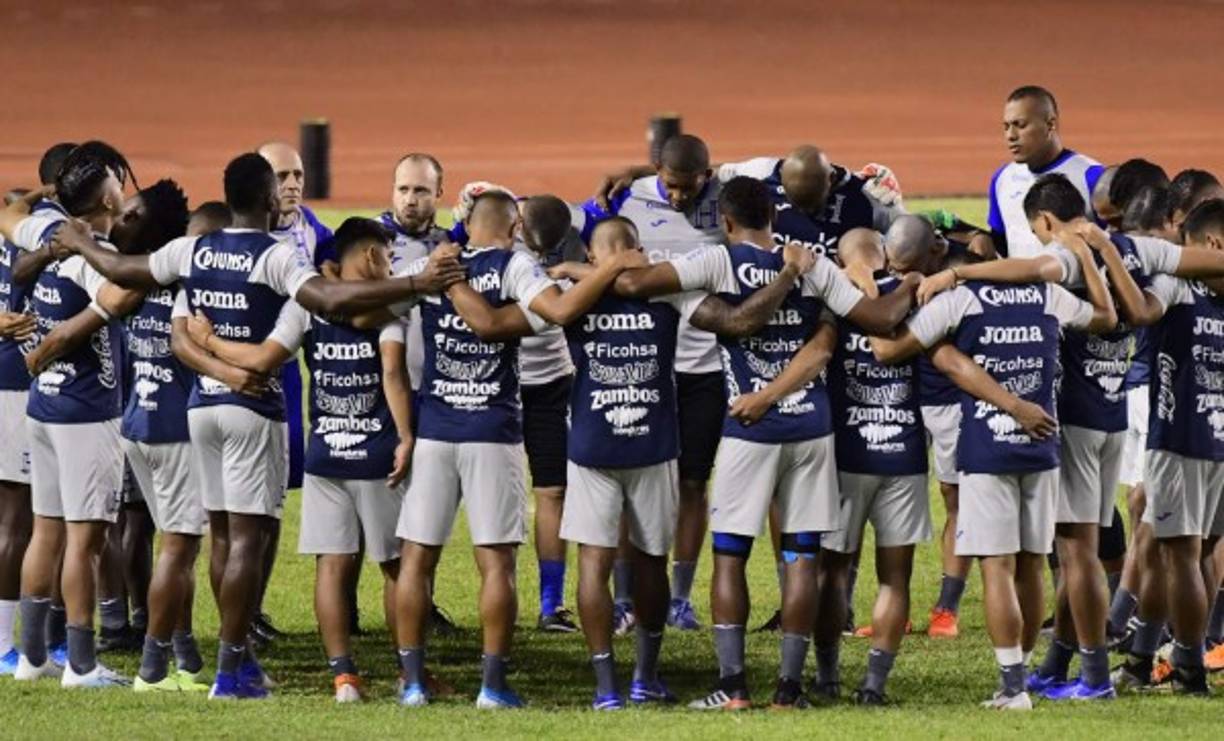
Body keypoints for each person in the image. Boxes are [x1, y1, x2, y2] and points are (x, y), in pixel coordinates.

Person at [49, 151, 465, 699]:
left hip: (201, 408)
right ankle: (229, 671)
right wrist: (414, 285)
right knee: (247, 539)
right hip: (253, 411)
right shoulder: (275, 257)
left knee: (221, 538)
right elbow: (329, 298)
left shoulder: (192, 249)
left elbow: (127, 270)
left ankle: (237, 660)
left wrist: (78, 243)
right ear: (271, 201)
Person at [386, 191, 648, 709]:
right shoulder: (514, 264)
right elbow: (561, 308)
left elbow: (378, 300)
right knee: (496, 563)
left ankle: (412, 682)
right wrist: (609, 266)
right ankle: (492, 685)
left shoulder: (433, 266)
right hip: (493, 430)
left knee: (416, 559)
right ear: (512, 228)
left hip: (436, 429)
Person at [871, 195, 1118, 710]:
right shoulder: (1048, 296)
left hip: (987, 449)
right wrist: (1094, 259)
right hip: (1042, 445)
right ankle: (1023, 673)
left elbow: (886, 349)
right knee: (1032, 563)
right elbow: (1106, 317)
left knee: (996, 566)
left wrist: (936, 346)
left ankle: (1011, 686)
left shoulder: (961, 300)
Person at [185, 217, 415, 702]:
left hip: (324, 455)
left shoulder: (304, 310)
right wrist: (406, 435)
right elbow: (392, 372)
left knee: (331, 565)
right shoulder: (389, 310)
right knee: (395, 566)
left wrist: (208, 343)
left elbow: (262, 357)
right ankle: (408, 675)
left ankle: (343, 676)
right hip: (375, 455)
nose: (391, 266)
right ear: (372, 257)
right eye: (388, 257)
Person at [0, 142, 140, 687]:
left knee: (46, 532)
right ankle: (81, 664)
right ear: (106, 197)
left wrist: (48, 202)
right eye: (115, 181)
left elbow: (10, 215)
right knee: (86, 542)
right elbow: (122, 293)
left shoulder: (42, 231)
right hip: (86, 414)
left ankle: (33, 658)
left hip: (44, 405)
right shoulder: (88, 250)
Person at [1112, 199, 1224, 695]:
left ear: (1210, 247)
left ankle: (1188, 671)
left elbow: (1137, 311)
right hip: (1218, 442)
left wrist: (1108, 253)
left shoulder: (1177, 284)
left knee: (1182, 557)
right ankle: (1139, 660)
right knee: (1161, 544)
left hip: (1179, 442)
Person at [255, 141, 335, 644]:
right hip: (242, 376)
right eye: (281, 176)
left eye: (298, 175)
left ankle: (255, 611)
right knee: (243, 508)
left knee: (273, 501)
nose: (292, 185)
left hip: (290, 378)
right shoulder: (241, 232)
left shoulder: (313, 229)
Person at [0, 143, 74, 675]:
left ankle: (35, 642)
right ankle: (10, 645)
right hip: (21, 382)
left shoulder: (15, 222)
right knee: (23, 520)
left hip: (14, 382)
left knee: (34, 519)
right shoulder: (51, 234)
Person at [980, 86, 1104, 259]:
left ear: (1050, 124)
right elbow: (1000, 242)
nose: (1010, 135)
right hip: (1021, 286)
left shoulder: (1092, 176)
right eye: (1006, 127)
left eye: (1020, 125)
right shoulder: (1002, 179)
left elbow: (1117, 248)